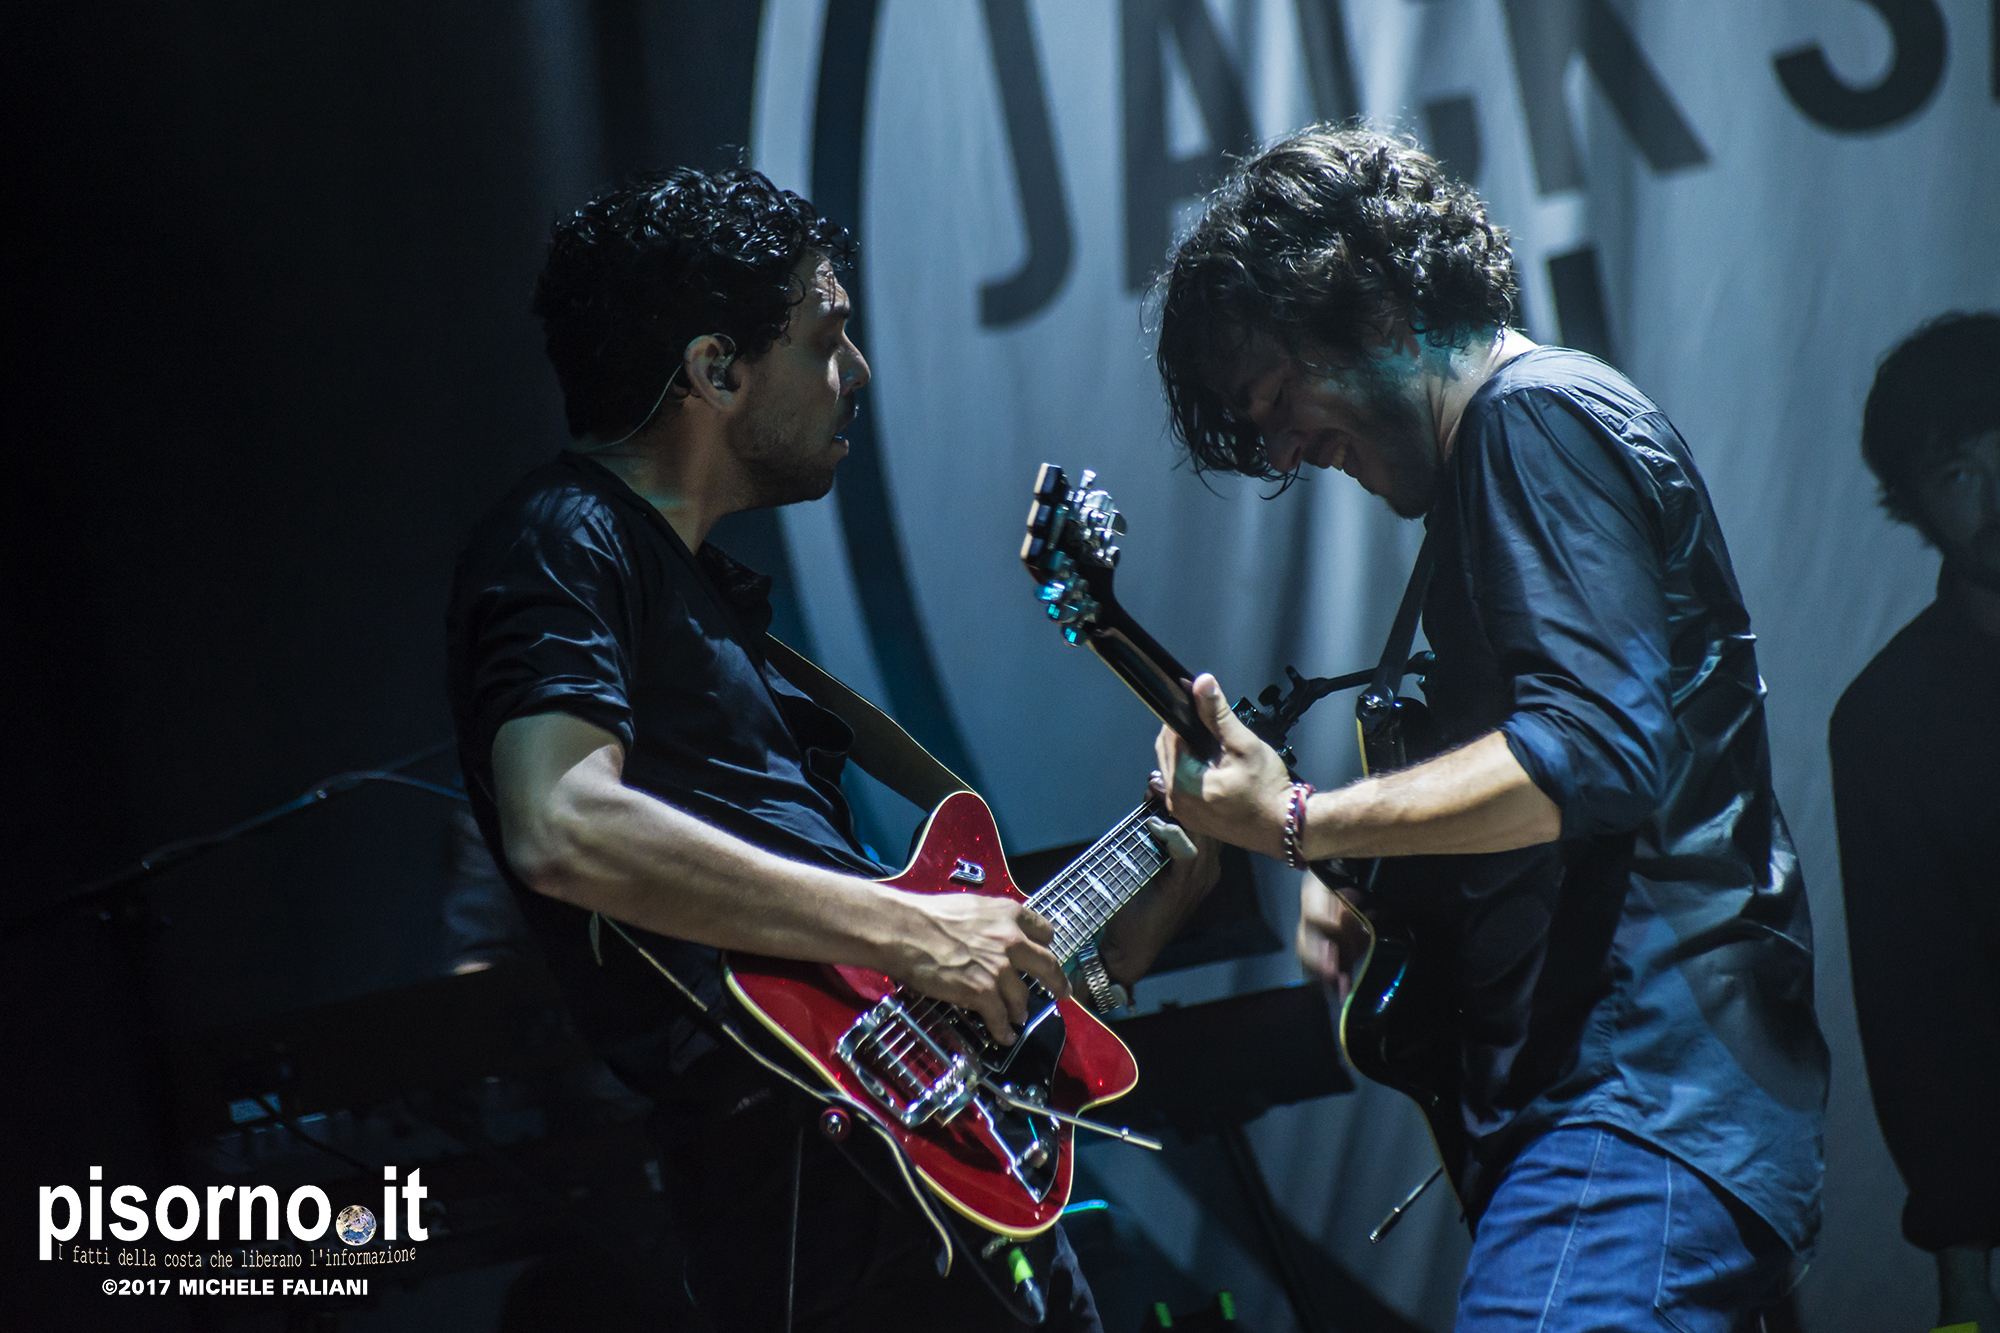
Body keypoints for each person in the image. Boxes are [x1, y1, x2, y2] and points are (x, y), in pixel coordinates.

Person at [445, 166, 1215, 1332]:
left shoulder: (701, 591)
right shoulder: (563, 538)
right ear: (715, 370)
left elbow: (836, 968)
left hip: (917, 1171)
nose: (854, 371)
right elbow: (560, 823)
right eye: (825, 339)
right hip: (813, 1209)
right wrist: (910, 927)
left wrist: (1118, 932)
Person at [1139, 127, 1828, 1332]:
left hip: (1630, 1115)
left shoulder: (1531, 419)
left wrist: (1300, 820)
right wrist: (1368, 874)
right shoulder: (1503, 458)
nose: (1285, 449)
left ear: (1378, 310)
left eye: (1278, 398)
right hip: (1637, 1119)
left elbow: (1591, 752)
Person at [1830, 313, 2000, 1333]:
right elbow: (1921, 1016)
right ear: (1913, 504)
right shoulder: (1891, 724)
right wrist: (1963, 1275)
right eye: (1959, 473)